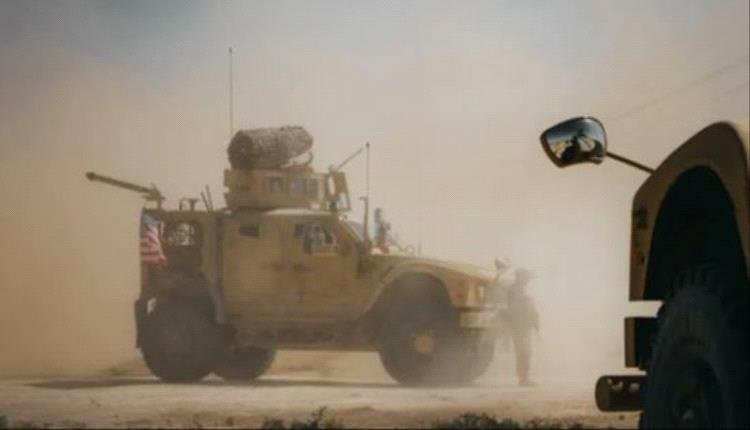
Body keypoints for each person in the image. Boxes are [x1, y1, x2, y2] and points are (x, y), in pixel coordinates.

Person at [507, 267, 539, 386]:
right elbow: (513, 308)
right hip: (519, 325)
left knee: (526, 352)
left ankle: (524, 377)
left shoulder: (521, 290)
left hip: (525, 325)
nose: (527, 280)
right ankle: (523, 378)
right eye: (526, 278)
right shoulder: (514, 290)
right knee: (523, 352)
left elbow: (529, 309)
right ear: (520, 277)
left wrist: (535, 322)